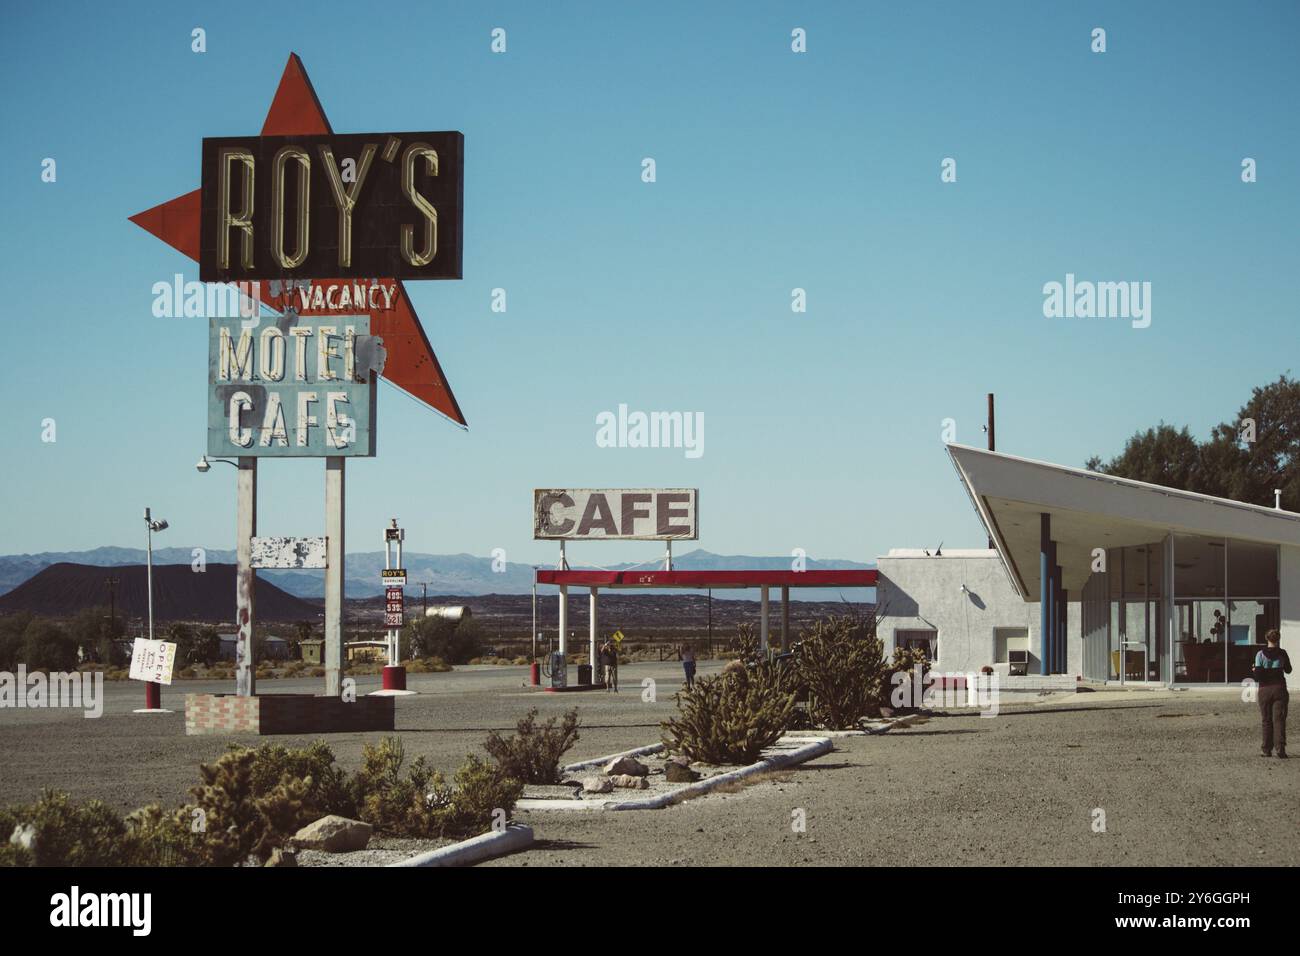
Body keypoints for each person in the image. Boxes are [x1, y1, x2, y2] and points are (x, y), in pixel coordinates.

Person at [1253, 629, 1291, 758]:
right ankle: (1280, 749)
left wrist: (1254, 669)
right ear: (1278, 639)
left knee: (1266, 720)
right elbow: (1289, 670)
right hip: (1279, 688)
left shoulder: (1260, 654)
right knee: (1279, 719)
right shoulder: (1282, 653)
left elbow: (1258, 676)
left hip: (1264, 690)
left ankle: (1266, 749)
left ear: (1266, 638)